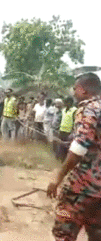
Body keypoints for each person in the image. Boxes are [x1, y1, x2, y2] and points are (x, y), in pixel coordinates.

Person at [47, 73, 101, 241]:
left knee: (64, 228)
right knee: (97, 231)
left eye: (75, 89)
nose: (73, 92)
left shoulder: (88, 108)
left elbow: (80, 146)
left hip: (84, 184)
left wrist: (58, 177)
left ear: (83, 90)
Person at [57, 96, 77, 162]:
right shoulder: (63, 110)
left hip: (69, 132)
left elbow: (75, 121)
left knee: (67, 147)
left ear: (70, 102)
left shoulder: (74, 110)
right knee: (60, 146)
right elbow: (61, 120)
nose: (65, 103)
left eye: (66, 102)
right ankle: (59, 160)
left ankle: (65, 161)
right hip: (61, 131)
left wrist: (73, 131)